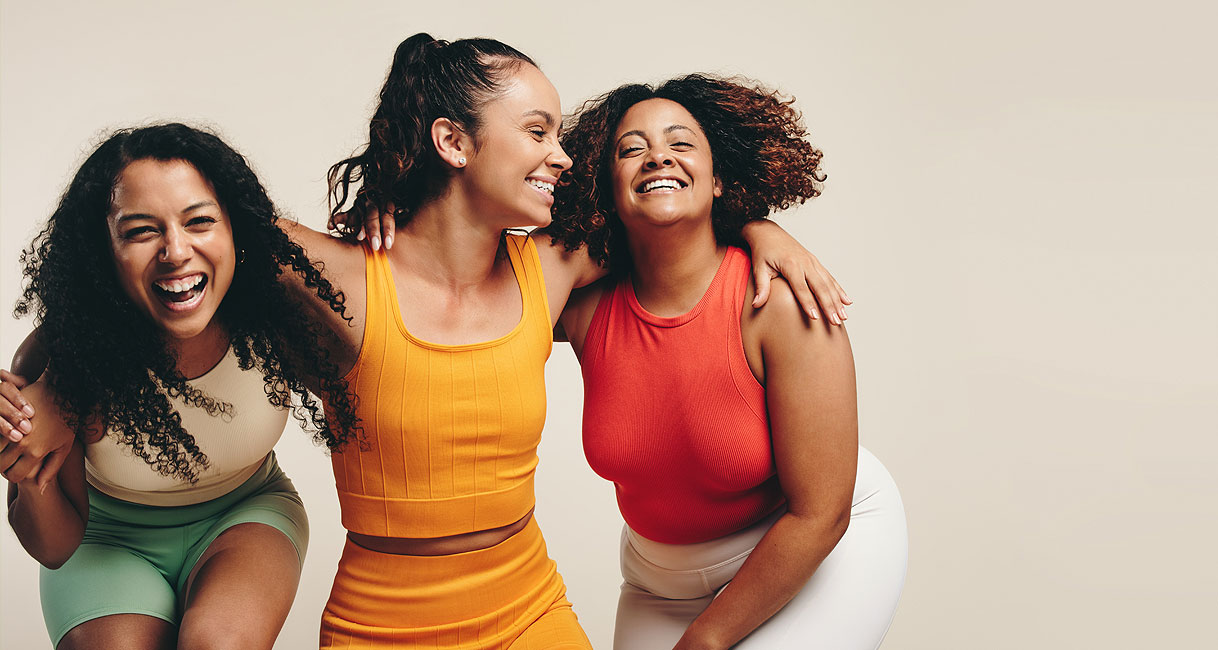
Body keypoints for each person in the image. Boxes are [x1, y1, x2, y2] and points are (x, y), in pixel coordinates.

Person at [4, 35, 849, 650]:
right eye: (538, 132)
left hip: (527, 608)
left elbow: (668, 210)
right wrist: (48, 383)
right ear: (453, 142)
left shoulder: (554, 264)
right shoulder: (338, 277)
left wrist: (763, 231)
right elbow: (178, 252)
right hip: (381, 621)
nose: (562, 156)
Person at [548, 75, 908, 649]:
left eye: (680, 143)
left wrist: (708, 638)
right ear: (605, 187)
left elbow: (821, 514)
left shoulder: (779, 303)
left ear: (718, 179)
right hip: (658, 581)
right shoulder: (581, 307)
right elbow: (470, 275)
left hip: (812, 544)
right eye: (631, 149)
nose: (657, 156)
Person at [0, 123, 359, 650]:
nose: (175, 251)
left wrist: (392, 217)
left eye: (200, 222)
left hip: (245, 515)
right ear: (103, 250)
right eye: (141, 231)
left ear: (236, 228)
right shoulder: (60, 357)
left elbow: (393, 333)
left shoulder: (277, 315)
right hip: (105, 539)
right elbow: (54, 547)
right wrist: (27, 471)